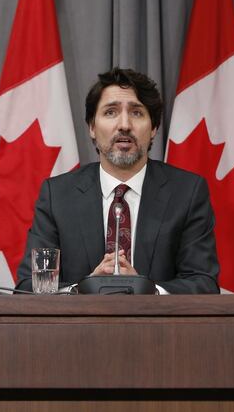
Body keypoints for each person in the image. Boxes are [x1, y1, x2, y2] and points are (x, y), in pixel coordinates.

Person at [15, 67, 219, 294]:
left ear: (153, 129)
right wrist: (83, 289)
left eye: (137, 113)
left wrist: (147, 290)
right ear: (92, 127)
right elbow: (29, 287)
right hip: (80, 329)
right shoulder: (57, 196)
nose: (124, 125)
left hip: (158, 329)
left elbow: (204, 285)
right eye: (111, 112)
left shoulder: (187, 193)